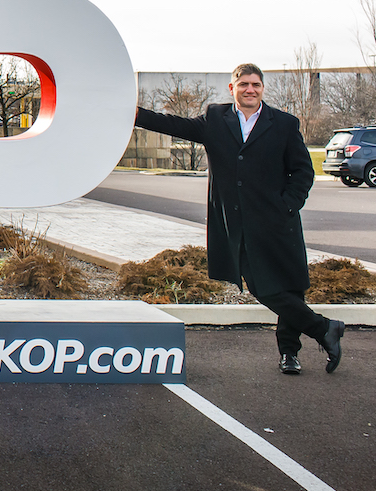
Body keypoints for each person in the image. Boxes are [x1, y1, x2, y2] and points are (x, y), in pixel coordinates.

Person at [134, 63, 343, 374]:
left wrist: (287, 206)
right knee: (262, 286)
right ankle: (325, 328)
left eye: (256, 84)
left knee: (290, 286)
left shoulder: (284, 124)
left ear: (262, 89)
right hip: (237, 226)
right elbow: (173, 124)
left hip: (279, 222)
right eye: (243, 84)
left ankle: (290, 353)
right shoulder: (216, 119)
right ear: (232, 88)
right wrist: (131, 111)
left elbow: (302, 171)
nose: (250, 89)